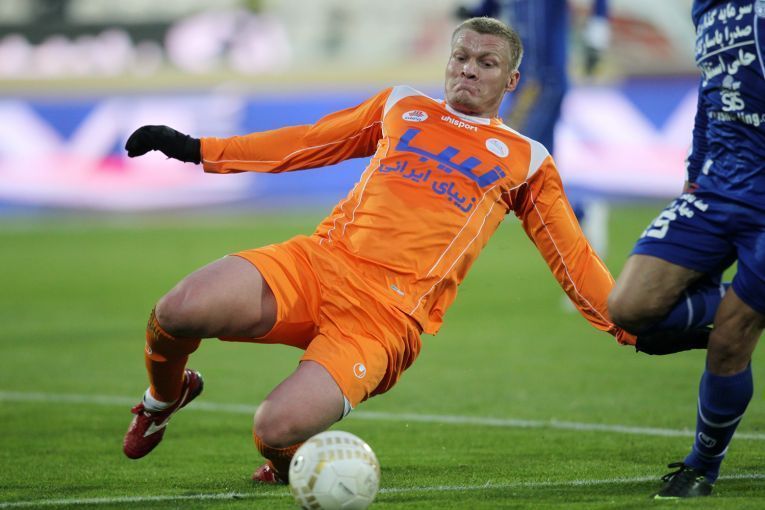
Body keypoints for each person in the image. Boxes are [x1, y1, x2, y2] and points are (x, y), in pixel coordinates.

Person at [122, 16, 637, 484]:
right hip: (317, 264)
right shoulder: (402, 106)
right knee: (178, 311)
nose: (468, 70)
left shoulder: (528, 160)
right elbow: (307, 141)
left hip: (383, 317)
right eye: (461, 57)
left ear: (511, 80)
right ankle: (163, 399)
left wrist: (631, 326)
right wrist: (197, 149)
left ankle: (284, 465)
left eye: (487, 63)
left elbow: (574, 259)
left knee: (274, 429)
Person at [608, 0, 765, 499]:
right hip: (716, 190)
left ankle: (701, 467)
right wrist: (694, 176)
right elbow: (710, 92)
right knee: (630, 308)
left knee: (731, 338)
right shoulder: (706, 9)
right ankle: (739, 306)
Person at [456, 0, 612, 258]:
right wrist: (472, 14)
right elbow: (491, 8)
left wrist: (597, 33)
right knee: (538, 172)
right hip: (525, 85)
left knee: (510, 155)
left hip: (544, 84)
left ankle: (581, 216)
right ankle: (581, 218)